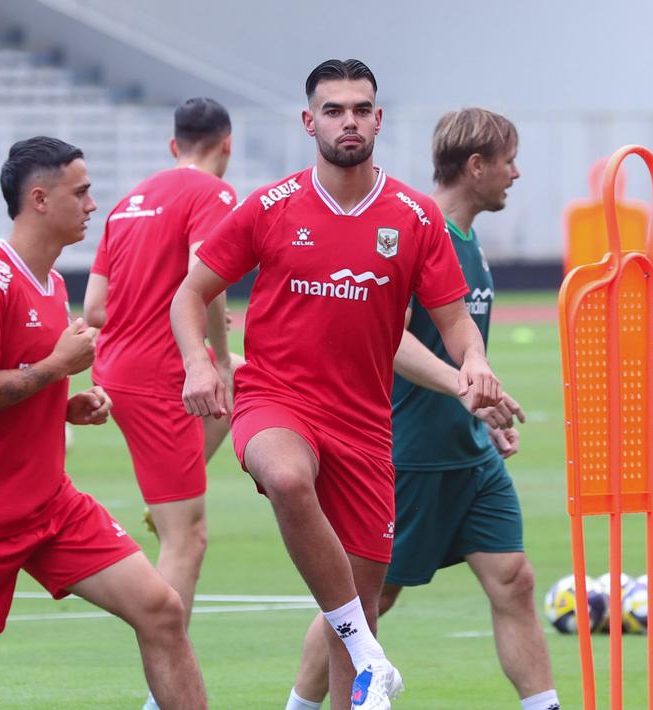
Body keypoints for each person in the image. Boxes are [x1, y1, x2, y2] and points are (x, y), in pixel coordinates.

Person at [170, 60, 500, 710]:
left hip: (367, 429)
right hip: (276, 399)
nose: (348, 121)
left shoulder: (415, 216)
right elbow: (189, 292)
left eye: (359, 109)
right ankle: (369, 651)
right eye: (333, 110)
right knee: (286, 477)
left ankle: (361, 655)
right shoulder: (269, 206)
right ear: (308, 121)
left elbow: (455, 321)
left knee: (359, 614)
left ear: (377, 120)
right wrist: (199, 362)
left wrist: (477, 362)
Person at [0, 137, 207, 710]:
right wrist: (58, 367)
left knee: (161, 610)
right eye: (80, 192)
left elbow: (23, 380)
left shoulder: (54, 284)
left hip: (51, 507)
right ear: (39, 199)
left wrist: (63, 404)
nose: (92, 204)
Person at [284, 108, 561, 710]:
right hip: (407, 454)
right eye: (509, 161)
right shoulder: (413, 229)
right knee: (365, 601)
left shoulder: (468, 239)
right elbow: (391, 338)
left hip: (469, 457)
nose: (516, 174)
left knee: (514, 580)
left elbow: (462, 346)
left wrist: (483, 407)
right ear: (476, 166)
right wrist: (464, 389)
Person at [82, 96, 241, 710]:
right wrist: (215, 354)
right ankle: (162, 696)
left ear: (174, 146)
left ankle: (170, 491)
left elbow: (96, 308)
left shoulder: (128, 202)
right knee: (188, 538)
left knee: (252, 381)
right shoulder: (214, 194)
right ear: (226, 144)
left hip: (116, 368)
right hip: (161, 375)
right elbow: (208, 278)